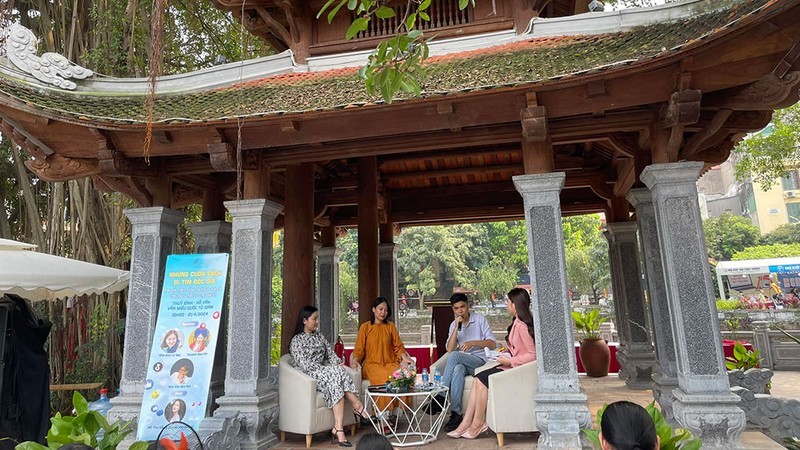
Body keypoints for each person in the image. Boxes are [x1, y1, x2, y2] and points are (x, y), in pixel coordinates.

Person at [448, 288, 536, 439]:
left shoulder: (521, 325)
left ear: (515, 305)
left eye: (508, 302)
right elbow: (449, 349)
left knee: (480, 378)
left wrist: (510, 360)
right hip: (508, 364)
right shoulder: (517, 322)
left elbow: (533, 354)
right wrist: (505, 353)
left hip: (515, 369)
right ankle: (466, 423)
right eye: (456, 308)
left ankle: (476, 423)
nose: (507, 305)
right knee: (475, 377)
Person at [290, 305, 369, 447]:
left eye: (317, 318)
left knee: (338, 372)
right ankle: (357, 405)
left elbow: (330, 354)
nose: (317, 322)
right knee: (335, 373)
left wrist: (336, 364)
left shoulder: (319, 336)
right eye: (314, 319)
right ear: (304, 321)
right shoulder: (297, 341)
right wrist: (327, 369)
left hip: (324, 371)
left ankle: (338, 428)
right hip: (309, 374)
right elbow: (304, 365)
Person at [428, 293, 497, 432]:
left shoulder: (479, 320)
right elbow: (449, 348)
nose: (460, 311)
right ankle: (456, 414)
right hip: (463, 362)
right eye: (456, 308)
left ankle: (440, 396)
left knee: (455, 357)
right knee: (458, 368)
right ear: (453, 309)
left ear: (468, 306)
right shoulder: (454, 324)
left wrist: (474, 343)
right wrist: (455, 328)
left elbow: (492, 344)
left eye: (462, 307)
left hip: (480, 362)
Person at [351, 297, 415, 416]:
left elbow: (398, 346)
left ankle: (394, 414)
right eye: (380, 309)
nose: (383, 312)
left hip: (390, 363)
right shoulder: (365, 327)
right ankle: (382, 416)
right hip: (372, 365)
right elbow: (359, 349)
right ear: (373, 310)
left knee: (399, 375)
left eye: (385, 310)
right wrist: (355, 360)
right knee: (383, 378)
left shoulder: (390, 326)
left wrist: (404, 356)